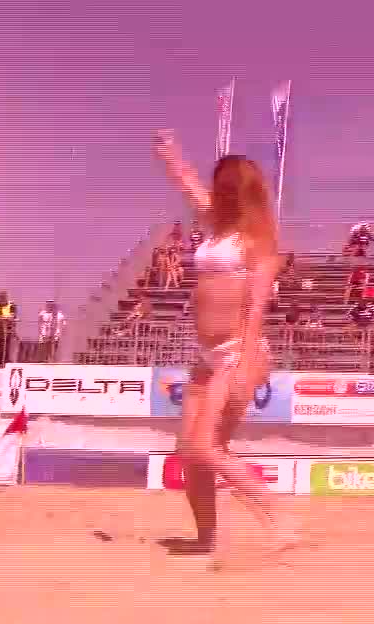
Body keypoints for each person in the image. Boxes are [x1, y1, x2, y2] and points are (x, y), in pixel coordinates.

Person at [153, 129, 292, 555]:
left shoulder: (259, 241)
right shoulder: (216, 226)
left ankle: (277, 518)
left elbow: (257, 306)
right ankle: (207, 539)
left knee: (205, 446)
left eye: (220, 184)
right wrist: (171, 155)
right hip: (206, 354)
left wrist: (243, 362)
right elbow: (190, 187)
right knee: (187, 451)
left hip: (238, 351)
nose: (212, 190)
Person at [0, 291, 18, 367]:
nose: (2, 298)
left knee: (6, 346)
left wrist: (3, 318)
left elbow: (12, 316)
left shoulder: (11, 306)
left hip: (7, 329)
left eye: (3, 296)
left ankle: (6, 361)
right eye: (0, 296)